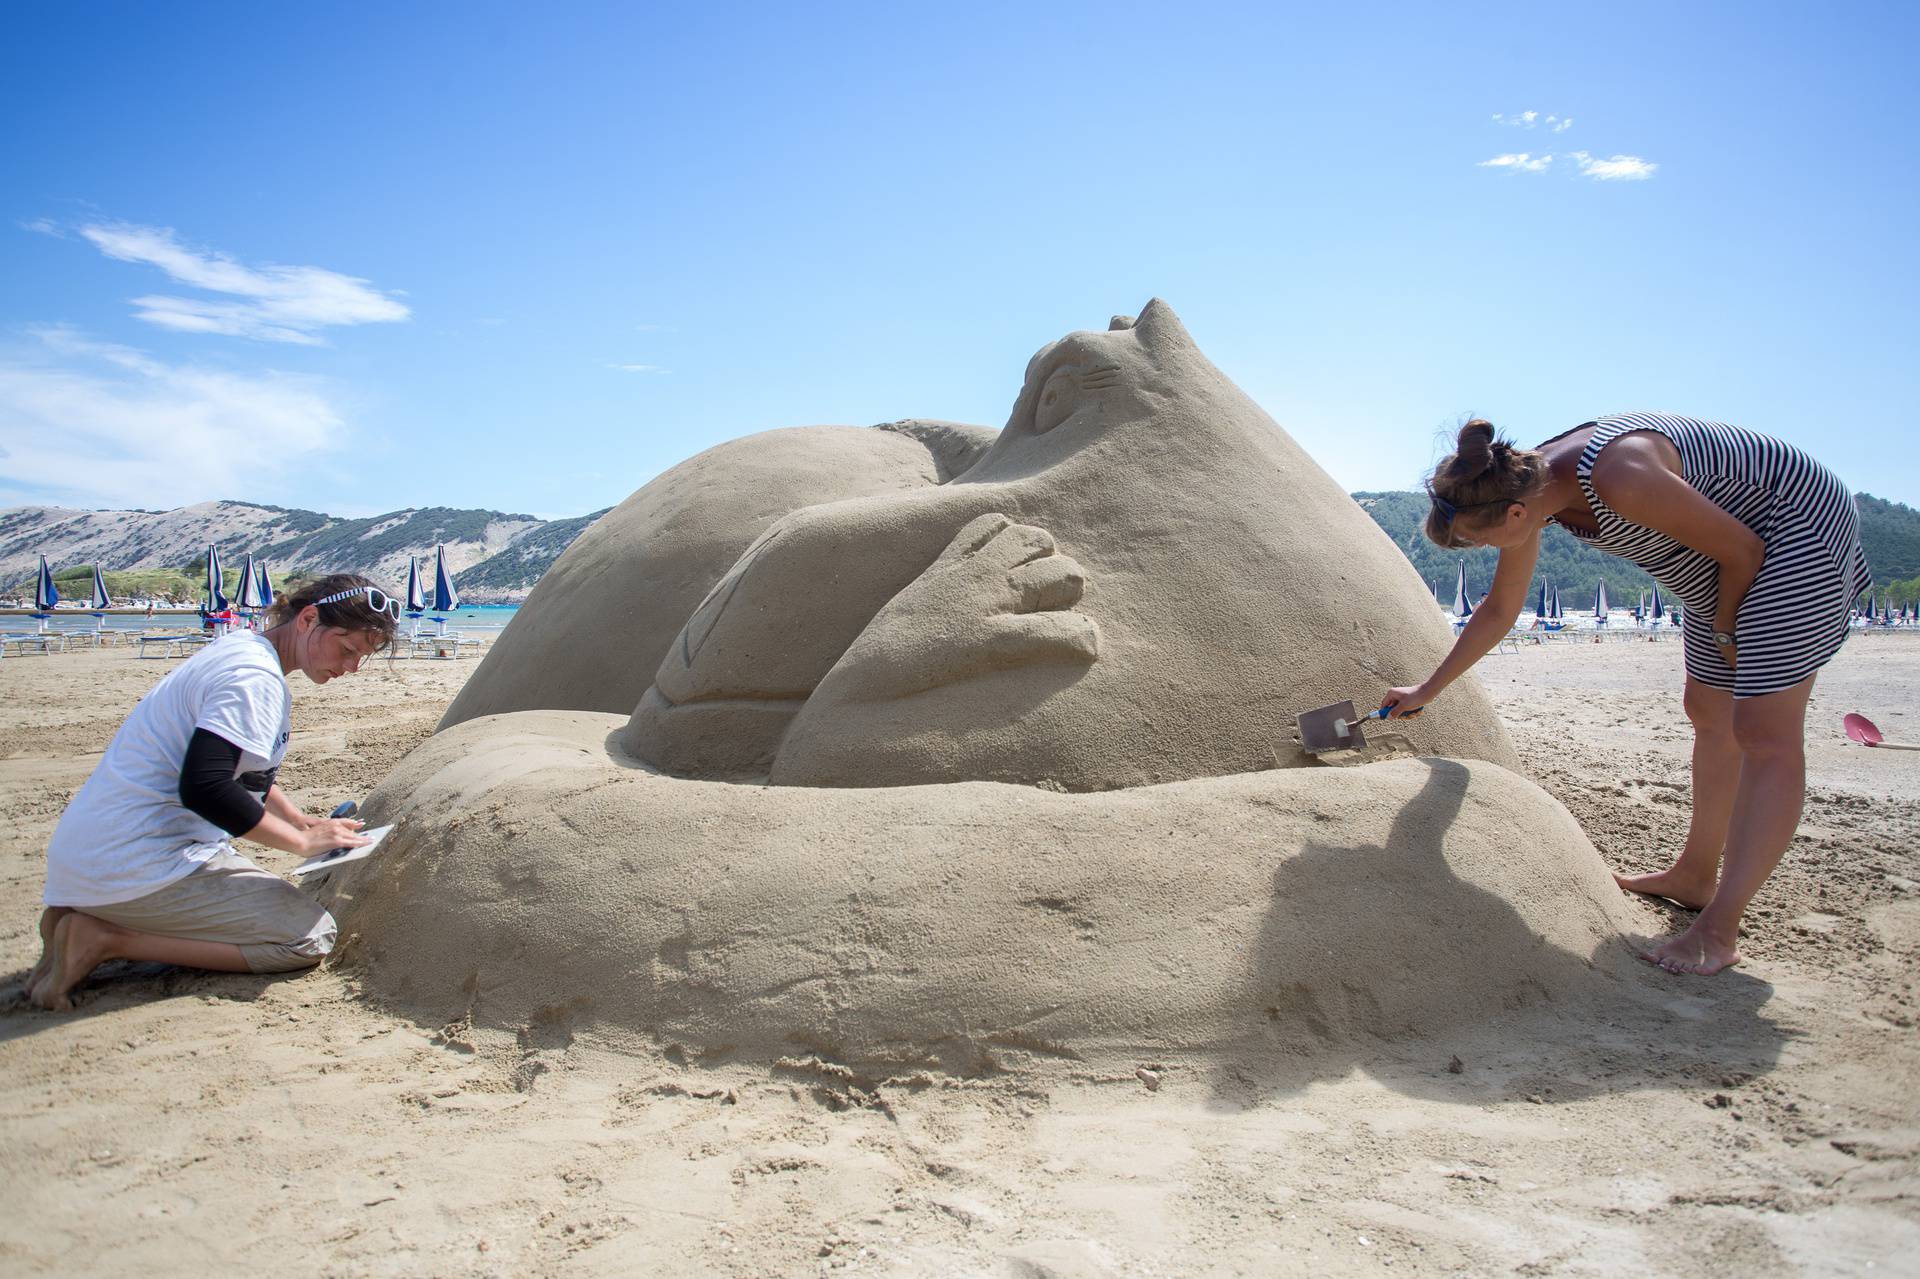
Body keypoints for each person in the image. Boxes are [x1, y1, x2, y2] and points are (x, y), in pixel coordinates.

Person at [1382, 414, 1871, 975]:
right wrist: (1429, 687)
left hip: (1793, 535)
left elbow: (1745, 552)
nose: (1488, 551)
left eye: (1483, 541)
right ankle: (1694, 876)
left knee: (1764, 731)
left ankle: (1720, 928)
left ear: (1516, 515)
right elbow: (1501, 607)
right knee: (1708, 708)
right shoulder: (1520, 487)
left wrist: (1729, 635)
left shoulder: (1619, 476)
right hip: (1725, 555)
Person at [27, 574, 401, 1011]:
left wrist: (300, 820)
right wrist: (300, 843)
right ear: (308, 619)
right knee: (308, 937)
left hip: (92, 854)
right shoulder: (254, 679)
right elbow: (205, 787)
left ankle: (83, 917)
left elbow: (239, 767)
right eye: (347, 648)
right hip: (137, 863)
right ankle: (106, 937)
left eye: (363, 657)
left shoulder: (242, 648)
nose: (351, 667)